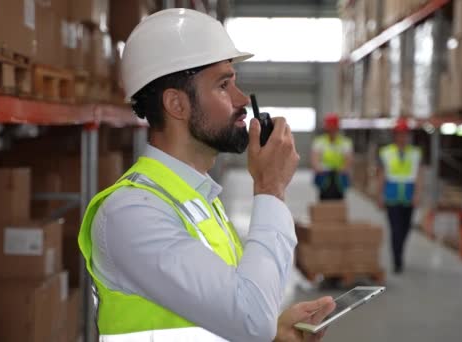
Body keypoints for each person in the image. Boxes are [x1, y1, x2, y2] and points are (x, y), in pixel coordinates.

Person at [77, 8, 335, 342]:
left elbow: (226, 310)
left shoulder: (198, 199)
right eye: (224, 85)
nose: (242, 99)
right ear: (177, 105)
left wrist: (272, 333)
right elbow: (250, 319)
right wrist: (270, 187)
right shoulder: (131, 214)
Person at [377, 118, 423, 274]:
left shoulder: (415, 153)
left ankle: (400, 251)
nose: (402, 137)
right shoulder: (386, 152)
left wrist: (417, 194)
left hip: (409, 196)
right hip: (392, 195)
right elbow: (382, 175)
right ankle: (397, 260)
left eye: (405, 134)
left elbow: (418, 175)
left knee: (406, 229)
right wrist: (380, 195)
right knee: (395, 229)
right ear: (395, 136)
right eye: (399, 134)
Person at [310, 113, 354, 200]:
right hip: (324, 175)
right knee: (324, 197)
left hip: (339, 176)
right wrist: (318, 167)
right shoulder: (319, 142)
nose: (331, 130)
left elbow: (348, 160)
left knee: (339, 199)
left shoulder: (345, 142)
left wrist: (343, 168)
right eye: (329, 128)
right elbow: (314, 159)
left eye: (333, 128)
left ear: (337, 128)